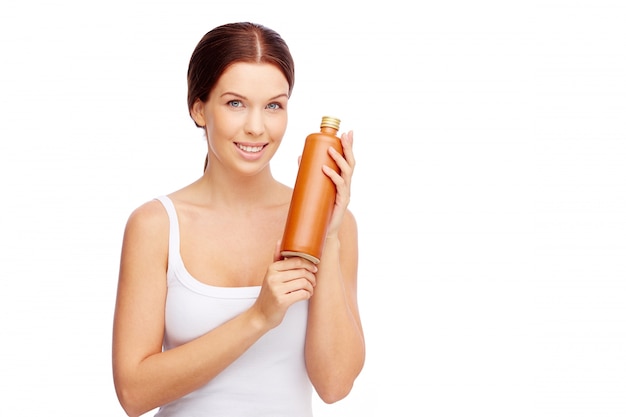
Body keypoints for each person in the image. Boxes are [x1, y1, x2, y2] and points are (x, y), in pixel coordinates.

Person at [112, 22, 365, 417]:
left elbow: (334, 385)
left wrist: (327, 239)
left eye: (274, 105)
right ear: (199, 108)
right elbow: (133, 393)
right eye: (235, 103)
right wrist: (258, 318)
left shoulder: (335, 225)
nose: (256, 127)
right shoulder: (156, 225)